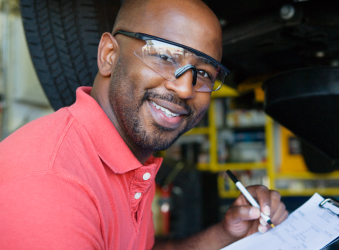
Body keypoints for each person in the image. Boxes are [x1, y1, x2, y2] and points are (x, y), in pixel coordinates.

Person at [0, 0, 288, 249]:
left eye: (202, 73)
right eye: (164, 56)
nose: (185, 89)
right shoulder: (53, 185)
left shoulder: (129, 156)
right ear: (109, 56)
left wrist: (226, 235)